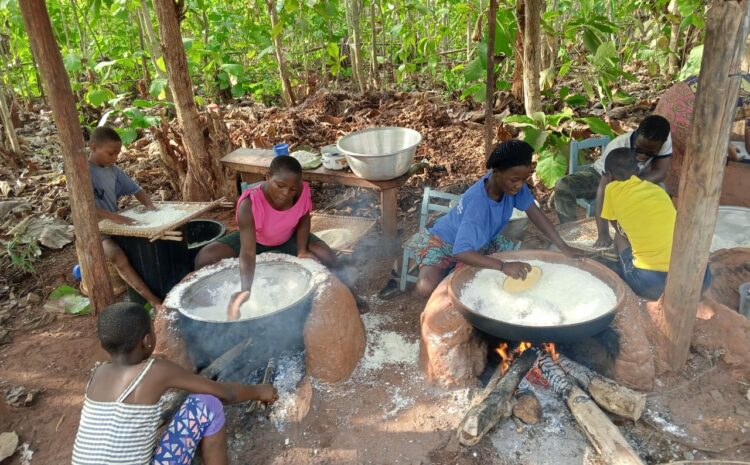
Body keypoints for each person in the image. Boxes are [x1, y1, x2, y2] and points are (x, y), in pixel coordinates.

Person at [71, 302, 278, 465]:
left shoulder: (98, 373)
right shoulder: (156, 370)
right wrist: (260, 391)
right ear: (146, 341)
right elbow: (225, 394)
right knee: (207, 404)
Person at [414, 140, 586, 297]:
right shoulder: (478, 204)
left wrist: (563, 246)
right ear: (495, 172)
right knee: (427, 288)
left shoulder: (512, 186)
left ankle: (454, 269)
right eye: (515, 180)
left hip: (483, 240)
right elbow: (461, 251)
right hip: (445, 242)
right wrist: (503, 266)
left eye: (523, 179)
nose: (519, 185)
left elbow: (535, 214)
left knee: (532, 254)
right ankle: (442, 268)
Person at [194, 155, 351, 319]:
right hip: (256, 240)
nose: (286, 193)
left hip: (290, 236)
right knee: (205, 257)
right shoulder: (250, 204)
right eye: (280, 185)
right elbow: (247, 252)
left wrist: (302, 249)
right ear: (268, 177)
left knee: (327, 254)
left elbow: (304, 216)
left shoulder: (302, 191)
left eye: (292, 189)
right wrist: (246, 289)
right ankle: (215, 301)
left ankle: (350, 293)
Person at [600, 148, 711, 300]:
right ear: (637, 169)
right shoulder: (657, 189)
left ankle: (625, 273)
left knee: (619, 237)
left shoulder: (612, 190)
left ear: (609, 175)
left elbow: (615, 224)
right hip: (699, 279)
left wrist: (603, 185)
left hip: (653, 285)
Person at [553, 115, 672, 248]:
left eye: (650, 153)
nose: (642, 156)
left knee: (662, 193)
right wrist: (603, 233)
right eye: (638, 149)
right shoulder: (618, 146)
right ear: (636, 133)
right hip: (601, 176)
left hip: (635, 177)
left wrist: (631, 184)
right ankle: (570, 235)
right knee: (563, 186)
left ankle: (653, 238)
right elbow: (603, 191)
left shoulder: (664, 141)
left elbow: (660, 172)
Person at [88, 126, 163, 311]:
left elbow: (137, 190)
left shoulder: (112, 170)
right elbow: (89, 209)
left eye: (117, 154)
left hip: (114, 224)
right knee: (117, 256)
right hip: (95, 229)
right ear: (93, 147)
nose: (115, 158)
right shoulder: (82, 171)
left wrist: (151, 208)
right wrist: (120, 220)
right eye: (111, 153)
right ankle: (154, 301)